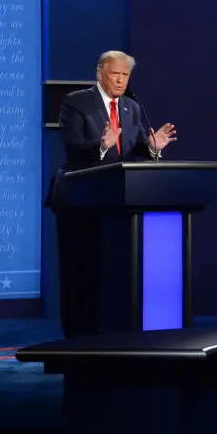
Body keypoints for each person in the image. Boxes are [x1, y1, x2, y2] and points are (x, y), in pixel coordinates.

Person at [46, 50, 177, 337]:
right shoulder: (77, 101)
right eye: (115, 74)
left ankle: (113, 334)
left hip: (117, 201)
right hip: (79, 198)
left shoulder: (132, 107)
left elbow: (135, 148)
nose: (120, 80)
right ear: (100, 74)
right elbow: (72, 146)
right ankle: (78, 338)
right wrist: (101, 146)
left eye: (125, 75)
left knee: (113, 273)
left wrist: (152, 146)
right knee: (80, 273)